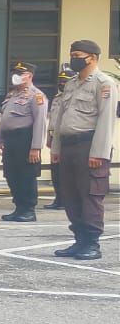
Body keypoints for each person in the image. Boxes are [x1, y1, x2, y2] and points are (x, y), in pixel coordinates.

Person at [50, 40, 117, 261]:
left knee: (90, 194)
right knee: (71, 194)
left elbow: (106, 121)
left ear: (93, 57)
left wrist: (99, 152)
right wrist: (56, 148)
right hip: (69, 145)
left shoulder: (103, 83)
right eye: (72, 54)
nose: (73, 58)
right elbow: (60, 120)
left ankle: (91, 243)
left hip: (89, 145)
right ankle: (79, 239)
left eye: (78, 54)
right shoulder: (71, 84)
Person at [0, 61, 47, 223]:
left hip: (25, 139)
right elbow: (5, 119)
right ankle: (19, 207)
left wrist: (36, 148)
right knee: (11, 174)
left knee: (26, 176)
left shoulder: (36, 96)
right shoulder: (12, 95)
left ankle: (28, 209)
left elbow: (40, 123)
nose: (15, 77)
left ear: (29, 76)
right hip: (11, 140)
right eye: (14, 73)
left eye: (20, 74)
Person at [45, 69, 73, 211]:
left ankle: (66, 200)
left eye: (65, 81)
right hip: (55, 138)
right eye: (61, 81)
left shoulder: (72, 98)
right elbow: (52, 121)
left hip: (66, 139)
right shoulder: (57, 97)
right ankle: (59, 198)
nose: (62, 83)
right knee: (55, 172)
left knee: (65, 172)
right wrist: (49, 137)